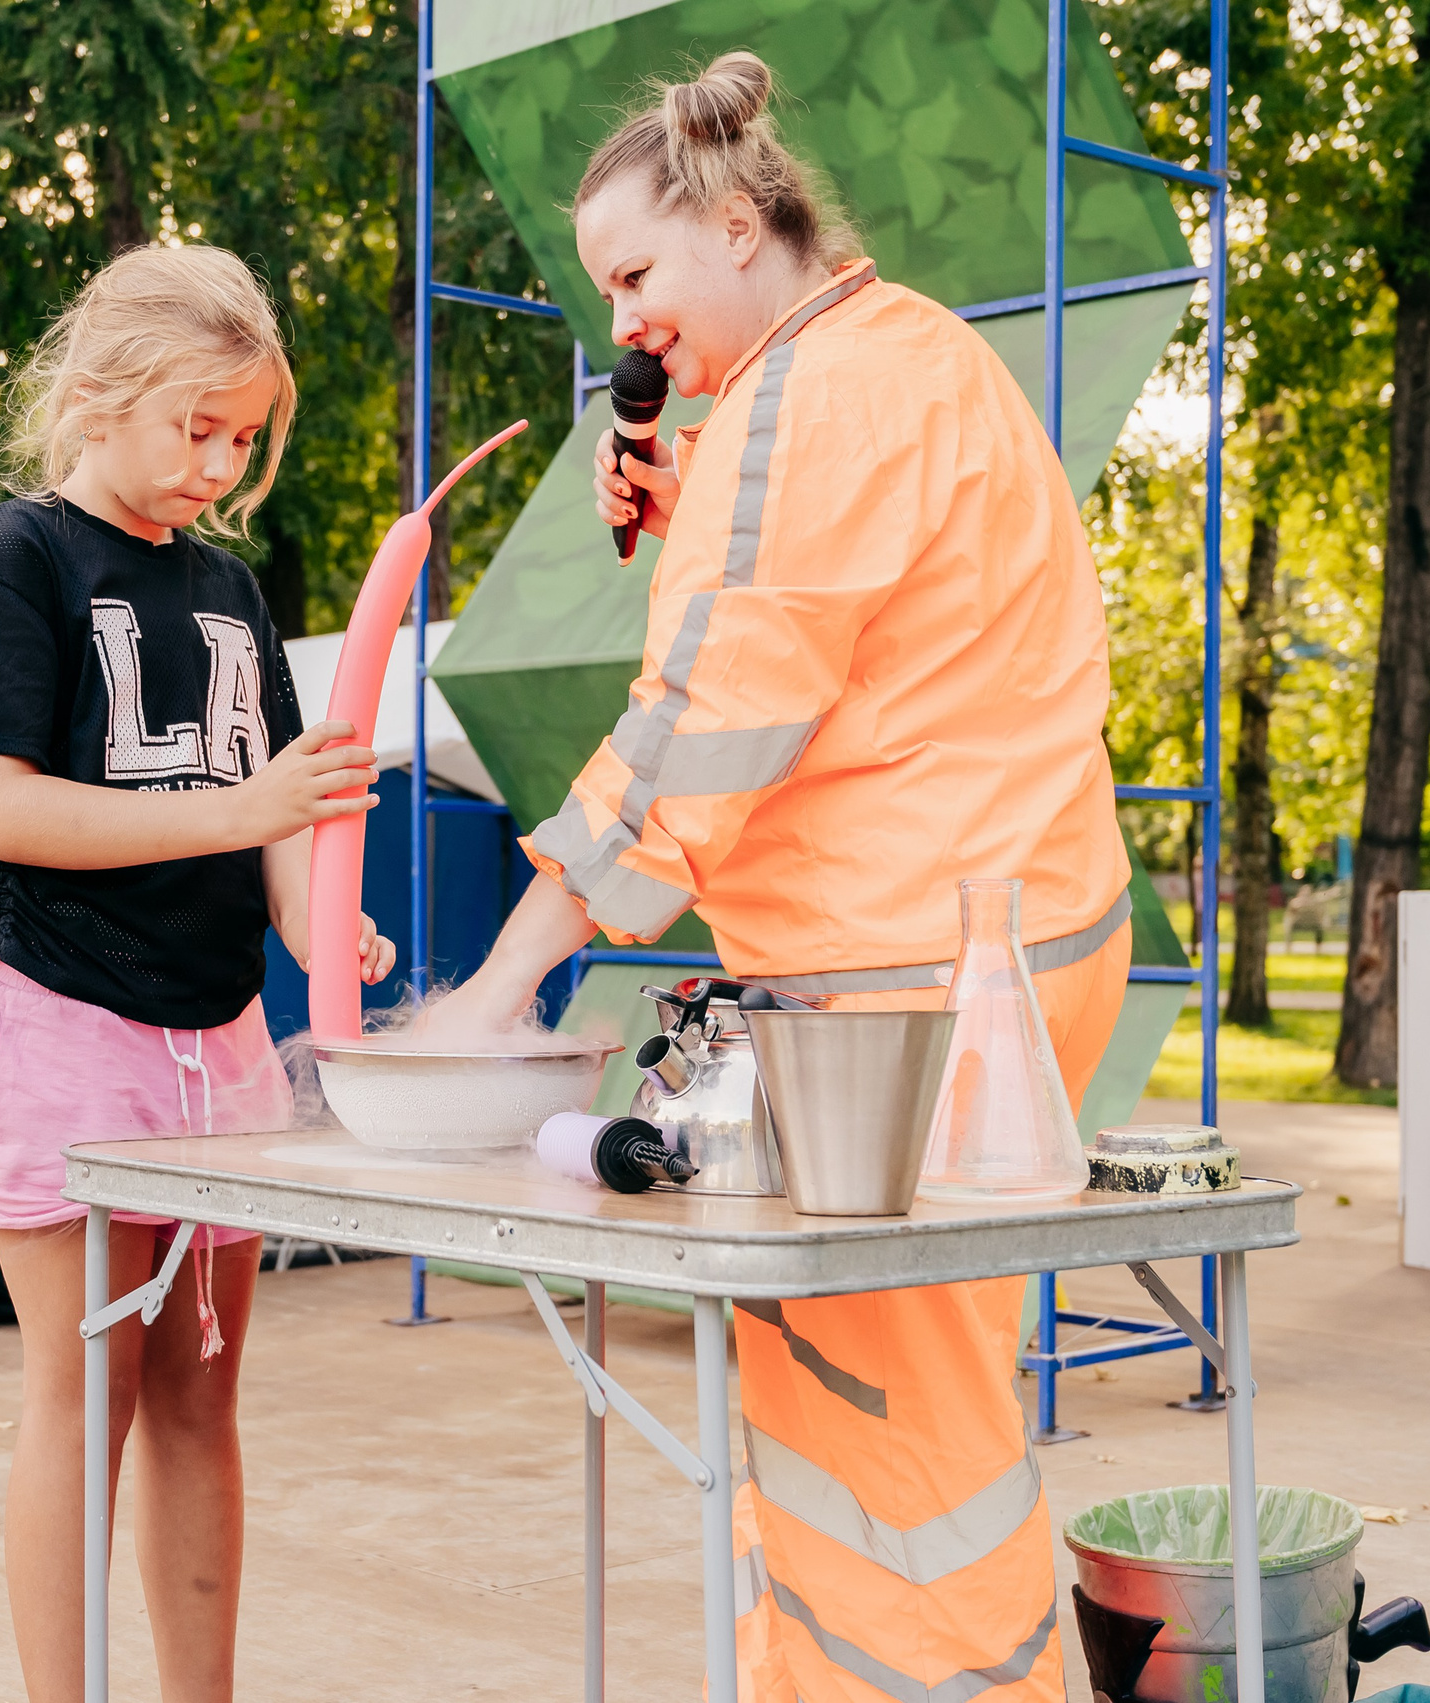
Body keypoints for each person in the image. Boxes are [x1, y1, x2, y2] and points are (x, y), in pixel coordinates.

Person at [423, 52, 1132, 1703]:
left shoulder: (808, 407)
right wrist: (695, 502)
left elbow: (696, 738)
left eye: (636, 274)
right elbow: (869, 634)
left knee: (887, 1432)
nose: (625, 321)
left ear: (738, 224)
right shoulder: (906, 358)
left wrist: (497, 983)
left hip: (918, 991)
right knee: (864, 1402)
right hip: (985, 956)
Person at [0, 244, 395, 1703]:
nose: (222, 460)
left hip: (224, 1044)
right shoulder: (21, 555)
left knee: (202, 1397)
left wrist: (329, 931)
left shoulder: (236, 593)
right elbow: (0, 806)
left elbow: (284, 830)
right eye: (198, 424)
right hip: (61, 1024)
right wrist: (246, 812)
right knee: (89, 1398)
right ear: (104, 395)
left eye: (244, 436)